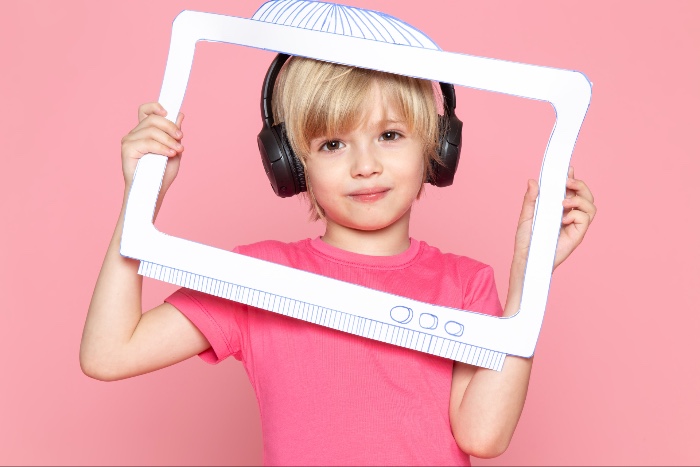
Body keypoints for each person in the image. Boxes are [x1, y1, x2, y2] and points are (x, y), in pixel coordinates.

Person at [80, 56, 596, 465]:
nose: (365, 165)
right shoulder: (260, 278)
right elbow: (109, 353)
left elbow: (483, 435)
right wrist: (140, 199)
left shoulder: (465, 284)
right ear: (291, 165)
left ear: (435, 147)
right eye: (332, 144)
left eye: (390, 136)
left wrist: (530, 273)